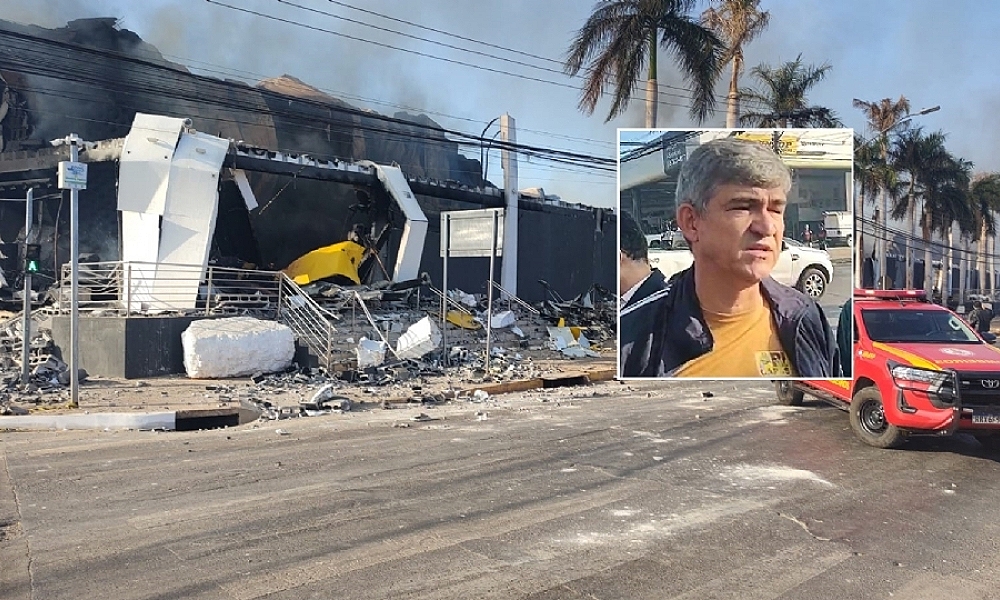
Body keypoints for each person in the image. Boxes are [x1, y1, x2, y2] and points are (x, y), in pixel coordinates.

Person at [619, 138, 840, 378]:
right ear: (691, 222)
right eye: (743, 207)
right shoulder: (634, 339)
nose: (767, 227)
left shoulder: (805, 317)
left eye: (776, 209)